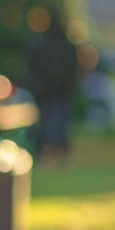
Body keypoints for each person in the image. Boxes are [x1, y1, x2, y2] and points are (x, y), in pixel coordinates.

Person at [25, 16, 80, 163]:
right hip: (50, 93)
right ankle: (50, 153)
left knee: (55, 124)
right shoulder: (61, 46)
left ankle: (54, 153)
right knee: (51, 124)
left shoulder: (46, 45)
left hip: (54, 93)